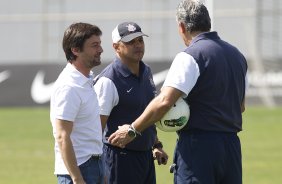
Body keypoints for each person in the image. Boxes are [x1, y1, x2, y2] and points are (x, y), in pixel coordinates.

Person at [108, 1, 248, 184]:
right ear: (208, 22)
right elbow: (241, 106)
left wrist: (133, 130)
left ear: (182, 27)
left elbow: (165, 101)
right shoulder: (237, 55)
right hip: (231, 148)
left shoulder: (191, 56)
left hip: (199, 148)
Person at [93, 21, 168, 184]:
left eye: (140, 40)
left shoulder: (146, 71)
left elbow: (146, 112)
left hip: (146, 158)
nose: (138, 45)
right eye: (130, 42)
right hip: (120, 161)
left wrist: (156, 144)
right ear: (116, 47)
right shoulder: (108, 81)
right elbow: (95, 130)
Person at [50, 22, 104, 184]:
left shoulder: (85, 80)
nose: (100, 50)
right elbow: (61, 135)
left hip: (95, 165)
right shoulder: (69, 86)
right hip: (78, 171)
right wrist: (77, 178)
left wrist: (102, 171)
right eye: (94, 45)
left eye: (99, 44)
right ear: (75, 50)